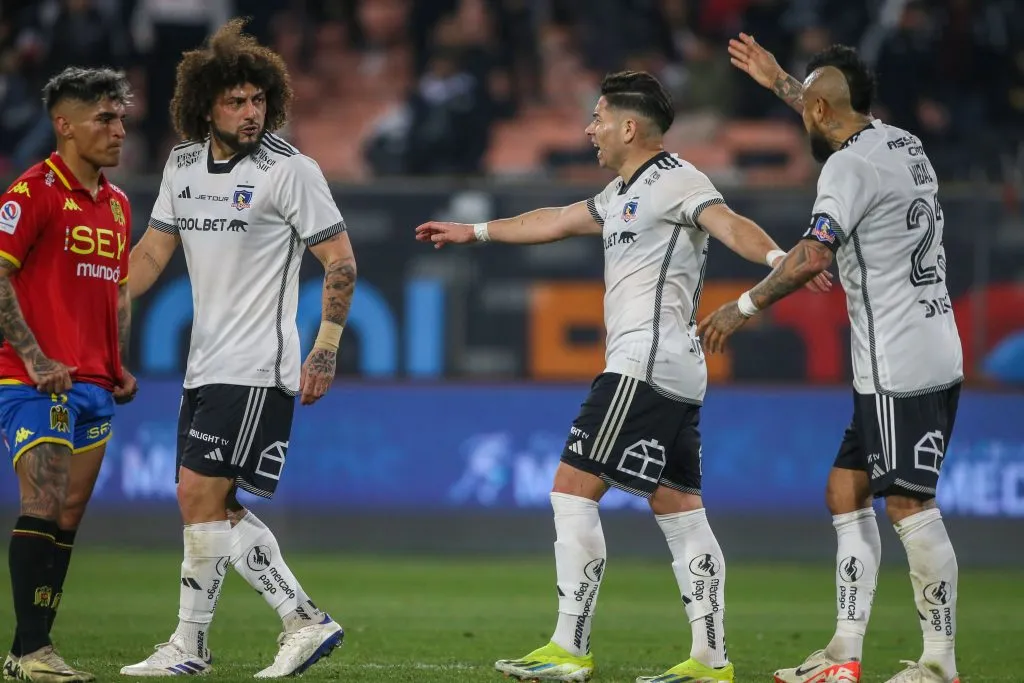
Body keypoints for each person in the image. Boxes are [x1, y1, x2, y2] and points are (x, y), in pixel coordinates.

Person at [416, 69, 830, 683]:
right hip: (678, 366)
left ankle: (568, 648)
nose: (590, 130)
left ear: (629, 126)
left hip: (645, 360)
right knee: (681, 510)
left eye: (598, 118)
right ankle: (711, 660)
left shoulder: (678, 180)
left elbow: (727, 222)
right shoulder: (619, 194)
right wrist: (475, 232)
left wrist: (779, 260)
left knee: (569, 490)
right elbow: (554, 219)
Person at [699, 36, 964, 683]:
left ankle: (939, 663)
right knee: (844, 489)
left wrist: (744, 306)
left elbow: (815, 254)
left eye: (802, 108)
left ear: (819, 110)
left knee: (906, 503)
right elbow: (827, 108)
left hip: (901, 361)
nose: (801, 117)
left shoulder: (845, 168)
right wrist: (783, 82)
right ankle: (844, 653)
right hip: (914, 348)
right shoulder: (903, 142)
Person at [120, 19, 356, 678]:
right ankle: (292, 620)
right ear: (205, 105)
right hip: (205, 363)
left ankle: (202, 642)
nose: (249, 113)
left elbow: (341, 262)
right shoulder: (182, 164)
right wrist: (103, 306)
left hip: (259, 365)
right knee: (209, 504)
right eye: (235, 101)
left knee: (198, 495)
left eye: (258, 100)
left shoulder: (291, 170)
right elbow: (151, 253)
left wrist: (325, 347)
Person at [0, 66, 137, 682]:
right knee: (44, 499)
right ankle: (32, 653)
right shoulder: (31, 193)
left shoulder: (118, 203)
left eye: (121, 117)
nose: (119, 129)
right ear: (65, 125)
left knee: (70, 512)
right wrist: (32, 358)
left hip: (92, 382)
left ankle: (32, 647)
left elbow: (119, 290)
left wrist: (118, 361)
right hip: (33, 381)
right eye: (104, 118)